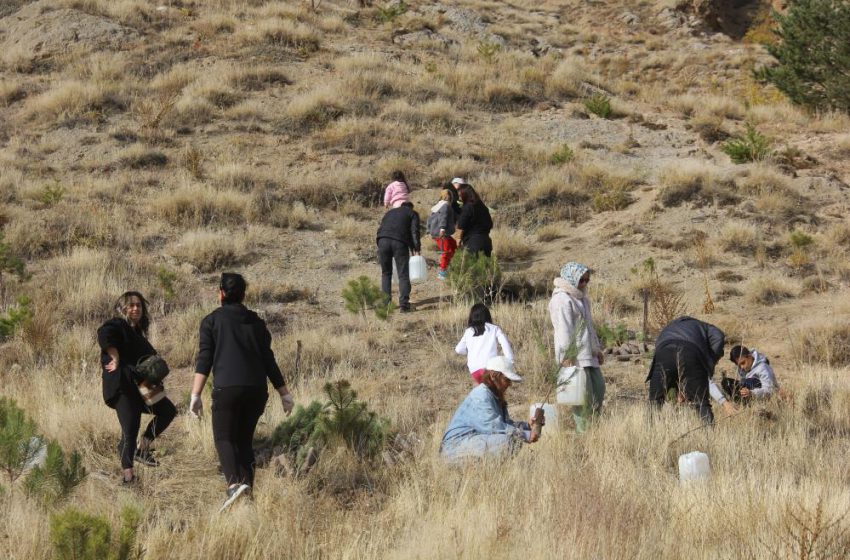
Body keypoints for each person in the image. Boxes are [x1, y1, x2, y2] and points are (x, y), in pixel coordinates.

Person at [189, 273, 295, 511]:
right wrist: (284, 393)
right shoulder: (257, 323)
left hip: (228, 388)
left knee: (224, 438)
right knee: (244, 441)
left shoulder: (212, 321)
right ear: (243, 295)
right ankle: (247, 497)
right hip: (257, 390)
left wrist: (195, 395)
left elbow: (204, 359)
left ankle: (234, 484)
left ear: (221, 293)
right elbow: (269, 360)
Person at [97, 291, 177, 485]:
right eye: (131, 305)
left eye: (139, 305)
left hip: (142, 385)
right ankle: (129, 477)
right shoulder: (118, 324)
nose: (135, 308)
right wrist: (114, 356)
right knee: (130, 429)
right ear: (123, 308)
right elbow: (103, 333)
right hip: (123, 384)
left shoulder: (137, 334)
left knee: (167, 410)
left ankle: (143, 448)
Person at [440, 356, 544, 463]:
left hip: (469, 443)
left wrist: (527, 426)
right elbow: (494, 426)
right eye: (506, 379)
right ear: (493, 376)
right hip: (454, 447)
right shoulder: (481, 396)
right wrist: (525, 435)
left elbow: (504, 424)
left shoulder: (494, 396)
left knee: (513, 439)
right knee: (507, 441)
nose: (509, 384)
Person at [549, 262, 606, 434]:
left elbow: (589, 326)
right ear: (572, 278)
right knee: (581, 395)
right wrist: (567, 354)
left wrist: (596, 349)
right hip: (575, 356)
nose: (584, 284)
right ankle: (584, 432)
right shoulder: (561, 299)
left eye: (587, 281)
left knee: (598, 388)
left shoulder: (582, 299)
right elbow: (563, 329)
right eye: (581, 280)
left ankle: (595, 426)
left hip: (588, 354)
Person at [646, 316, 735, 424]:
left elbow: (662, 349)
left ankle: (649, 434)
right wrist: (710, 360)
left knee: (655, 400)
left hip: (663, 352)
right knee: (701, 402)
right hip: (690, 351)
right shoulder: (704, 326)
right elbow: (719, 336)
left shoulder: (670, 326)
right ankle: (709, 436)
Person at [376, 201, 421, 312]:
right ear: (411, 207)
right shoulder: (412, 213)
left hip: (382, 240)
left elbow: (381, 228)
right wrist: (416, 248)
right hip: (399, 243)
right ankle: (404, 306)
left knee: (386, 273)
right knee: (403, 274)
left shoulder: (390, 212)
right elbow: (414, 231)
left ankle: (386, 305)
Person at [455, 303, 514, 384]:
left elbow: (458, 349)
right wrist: (510, 362)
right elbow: (505, 345)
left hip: (474, 370)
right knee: (495, 392)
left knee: (485, 391)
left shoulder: (469, 331)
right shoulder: (494, 329)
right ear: (487, 315)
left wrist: (470, 351)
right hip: (490, 369)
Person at [454, 183, 493, 257]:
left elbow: (461, 225)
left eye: (460, 196)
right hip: (486, 242)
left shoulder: (468, 207)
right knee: (485, 267)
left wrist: (458, 240)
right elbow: (490, 224)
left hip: (473, 243)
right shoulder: (482, 206)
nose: (459, 198)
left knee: (472, 268)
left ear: (465, 195)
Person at [426, 188, 457, 280]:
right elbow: (444, 217)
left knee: (454, 246)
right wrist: (442, 228)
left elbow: (429, 220)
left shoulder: (438, 206)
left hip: (439, 233)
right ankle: (442, 272)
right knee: (447, 251)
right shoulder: (446, 206)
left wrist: (429, 230)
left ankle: (449, 266)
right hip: (442, 233)